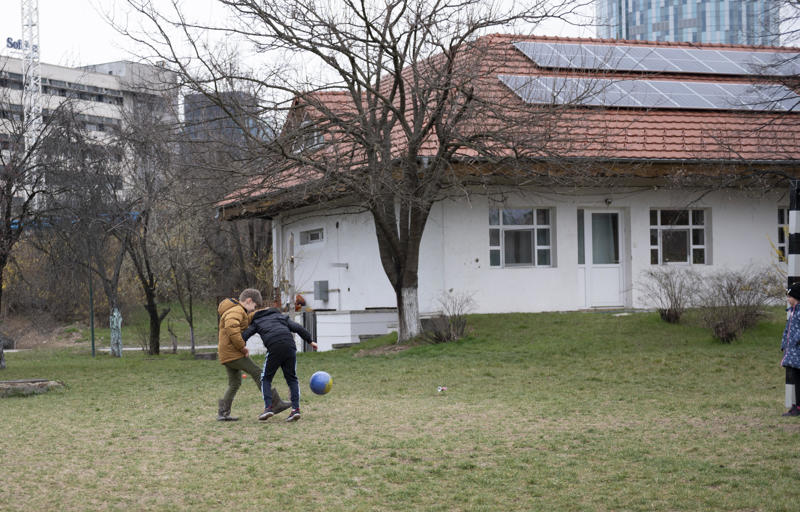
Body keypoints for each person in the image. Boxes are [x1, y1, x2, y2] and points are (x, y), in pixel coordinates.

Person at [217, 289, 290, 421]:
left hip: (226, 354)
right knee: (258, 373)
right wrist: (242, 347)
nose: (253, 309)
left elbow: (246, 319)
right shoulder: (236, 311)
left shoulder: (237, 311)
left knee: (234, 383)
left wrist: (262, 312)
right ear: (249, 300)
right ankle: (275, 403)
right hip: (233, 353)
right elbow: (231, 327)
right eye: (254, 306)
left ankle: (223, 413)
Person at [242, 305, 318, 422]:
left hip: (274, 347)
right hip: (289, 346)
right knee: (292, 378)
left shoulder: (257, 321)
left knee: (266, 378)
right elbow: (298, 328)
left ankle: (268, 408)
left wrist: (239, 347)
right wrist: (310, 341)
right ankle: (295, 410)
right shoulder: (281, 317)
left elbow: (245, 335)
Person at [781, 283, 800, 416]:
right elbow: (787, 330)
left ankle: (798, 407)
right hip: (793, 352)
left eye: (789, 296)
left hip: (797, 351)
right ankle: (797, 404)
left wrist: (793, 342)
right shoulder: (793, 312)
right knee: (795, 378)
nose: (788, 299)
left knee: (798, 378)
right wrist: (784, 345)